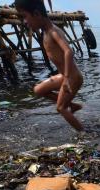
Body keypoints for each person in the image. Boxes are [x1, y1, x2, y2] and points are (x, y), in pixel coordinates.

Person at [15, 0, 84, 131]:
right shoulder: (46, 31)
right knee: (38, 90)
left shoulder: (53, 32)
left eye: (25, 16)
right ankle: (73, 106)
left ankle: (85, 134)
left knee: (61, 108)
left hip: (72, 77)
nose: (24, 22)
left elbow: (68, 51)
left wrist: (66, 81)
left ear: (36, 14)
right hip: (64, 76)